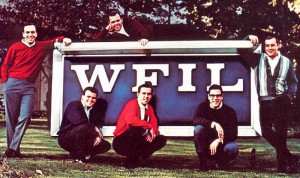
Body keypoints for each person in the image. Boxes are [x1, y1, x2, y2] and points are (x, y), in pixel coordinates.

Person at [1, 24, 72, 158]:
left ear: (36, 34)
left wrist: (64, 39)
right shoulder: (15, 47)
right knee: (11, 119)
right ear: (23, 34)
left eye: (32, 32)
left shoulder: (40, 46)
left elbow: (55, 41)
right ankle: (14, 151)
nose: (30, 35)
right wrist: (5, 81)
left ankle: (11, 148)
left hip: (29, 86)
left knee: (26, 117)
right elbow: (6, 64)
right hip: (12, 83)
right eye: (27, 32)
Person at [243, 35, 299, 173]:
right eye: (267, 45)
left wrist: (289, 96)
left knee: (281, 134)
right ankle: (291, 158)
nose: (269, 48)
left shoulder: (286, 62)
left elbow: (293, 81)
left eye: (272, 45)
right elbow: (242, 51)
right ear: (264, 46)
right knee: (265, 130)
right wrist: (248, 38)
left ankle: (282, 167)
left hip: (281, 101)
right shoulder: (258, 58)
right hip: (265, 101)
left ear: (278, 45)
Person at [112, 82, 167, 168]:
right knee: (136, 129)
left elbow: (154, 125)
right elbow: (131, 121)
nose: (146, 96)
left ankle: (140, 155)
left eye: (149, 94)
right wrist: (148, 126)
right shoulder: (132, 104)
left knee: (162, 139)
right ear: (138, 94)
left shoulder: (150, 108)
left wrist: (152, 135)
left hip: (137, 139)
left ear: (151, 96)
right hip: (121, 142)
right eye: (143, 93)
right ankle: (130, 161)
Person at [57, 87, 111, 163]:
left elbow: (96, 126)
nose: (91, 99)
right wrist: (95, 129)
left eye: (93, 98)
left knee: (105, 145)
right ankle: (79, 157)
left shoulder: (94, 110)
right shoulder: (74, 105)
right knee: (83, 128)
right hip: (66, 138)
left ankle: (86, 155)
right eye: (88, 97)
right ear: (82, 97)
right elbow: (79, 121)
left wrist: (98, 136)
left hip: (83, 137)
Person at [193, 84, 238, 171]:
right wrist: (213, 124)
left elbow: (233, 134)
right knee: (198, 129)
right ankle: (203, 162)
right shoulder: (202, 107)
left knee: (233, 148)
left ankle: (220, 162)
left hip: (222, 145)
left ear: (222, 97)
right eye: (212, 95)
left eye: (218, 95)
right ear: (208, 96)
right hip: (206, 145)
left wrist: (219, 140)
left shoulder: (230, 111)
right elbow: (195, 120)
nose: (215, 98)